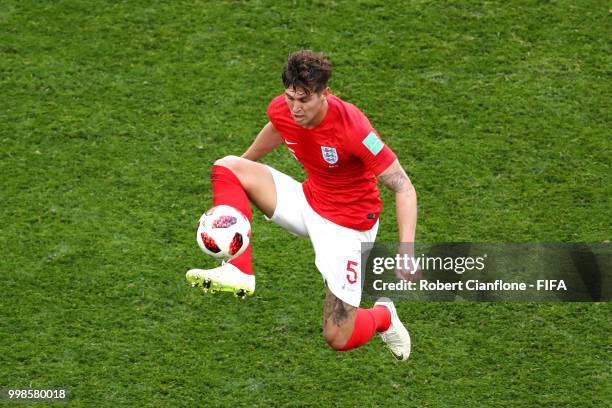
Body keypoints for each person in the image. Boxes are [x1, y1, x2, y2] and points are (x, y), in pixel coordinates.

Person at [187, 50, 417, 360]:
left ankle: (383, 315)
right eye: (290, 98)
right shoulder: (284, 109)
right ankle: (239, 271)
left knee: (338, 336)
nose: (295, 108)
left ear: (325, 94)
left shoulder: (354, 128)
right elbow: (277, 128)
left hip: (348, 227)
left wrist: (407, 250)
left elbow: (403, 187)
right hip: (308, 201)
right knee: (227, 166)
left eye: (304, 100)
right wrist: (239, 174)